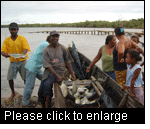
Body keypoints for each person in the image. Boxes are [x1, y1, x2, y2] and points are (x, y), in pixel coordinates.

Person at [38, 30, 76, 108]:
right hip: (49, 71)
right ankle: (43, 105)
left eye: (57, 36)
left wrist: (72, 73)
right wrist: (56, 76)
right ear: (50, 38)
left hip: (60, 71)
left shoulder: (63, 48)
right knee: (40, 91)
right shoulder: (46, 50)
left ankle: (48, 105)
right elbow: (48, 65)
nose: (55, 38)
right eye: (53, 36)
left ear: (58, 38)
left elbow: (68, 61)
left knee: (47, 85)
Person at [1, 22, 31, 100]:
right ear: (9, 30)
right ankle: (13, 92)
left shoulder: (22, 38)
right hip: (13, 61)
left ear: (17, 30)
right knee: (9, 77)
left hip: (22, 61)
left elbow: (26, 48)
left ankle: (27, 93)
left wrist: (22, 54)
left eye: (14, 29)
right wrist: (4, 54)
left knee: (25, 78)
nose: (13, 31)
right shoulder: (6, 40)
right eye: (11, 30)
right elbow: (2, 51)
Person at [22, 36, 50, 107]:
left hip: (36, 67)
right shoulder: (46, 45)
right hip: (32, 68)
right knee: (29, 86)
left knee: (45, 79)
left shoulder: (43, 42)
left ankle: (41, 98)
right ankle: (25, 103)